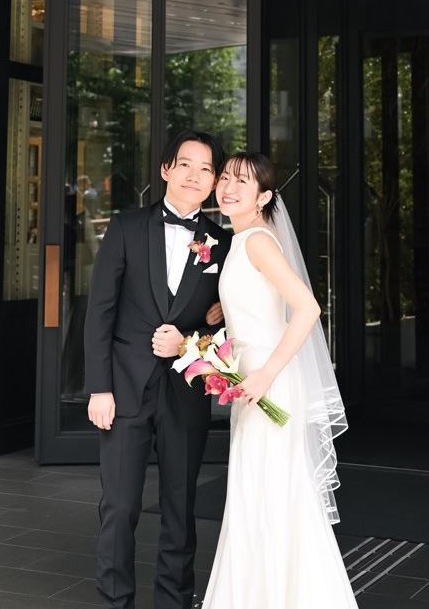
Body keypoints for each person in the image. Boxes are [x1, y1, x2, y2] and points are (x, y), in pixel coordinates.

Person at [202, 152, 356, 609]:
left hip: (268, 383)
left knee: (266, 495)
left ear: (264, 196)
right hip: (253, 384)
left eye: (242, 182)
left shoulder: (256, 242)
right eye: (225, 178)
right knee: (261, 494)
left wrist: (266, 373)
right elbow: (262, 304)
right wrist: (224, 312)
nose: (228, 188)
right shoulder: (242, 240)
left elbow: (307, 308)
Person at [85, 129, 230, 609]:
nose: (194, 176)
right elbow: (100, 311)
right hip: (124, 388)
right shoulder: (126, 226)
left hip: (186, 392)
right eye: (185, 164)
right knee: (119, 506)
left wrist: (207, 327)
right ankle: (115, 602)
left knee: (180, 508)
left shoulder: (222, 242)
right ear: (166, 169)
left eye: (206, 169)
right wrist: (99, 388)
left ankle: (174, 602)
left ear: (214, 182)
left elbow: (229, 324)